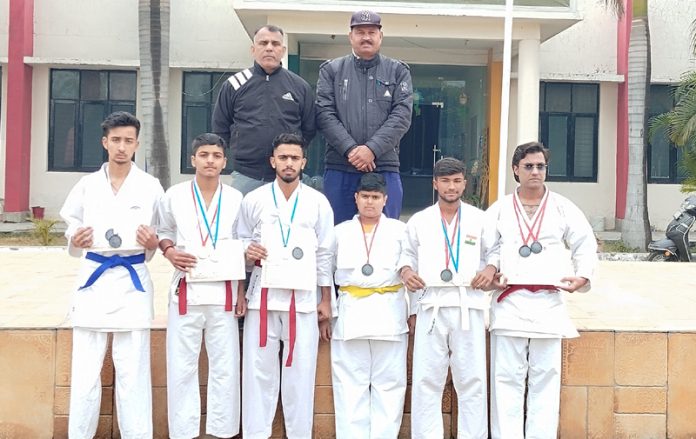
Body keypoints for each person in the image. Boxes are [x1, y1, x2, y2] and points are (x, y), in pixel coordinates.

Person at [483, 141, 598, 438]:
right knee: (506, 378)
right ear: (515, 170)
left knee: (546, 378)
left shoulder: (562, 206)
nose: (535, 171)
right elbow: (489, 248)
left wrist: (582, 276)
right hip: (509, 301)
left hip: (548, 301)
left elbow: (584, 242)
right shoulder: (499, 208)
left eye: (540, 166)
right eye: (529, 166)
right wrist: (491, 271)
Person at [60, 111, 163, 439]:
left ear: (137, 144)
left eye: (128, 141)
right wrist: (75, 238)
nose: (121, 147)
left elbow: (158, 233)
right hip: (94, 282)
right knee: (85, 375)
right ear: (105, 142)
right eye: (115, 140)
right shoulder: (87, 185)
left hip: (131, 284)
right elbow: (71, 224)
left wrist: (152, 244)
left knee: (133, 375)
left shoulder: (150, 186)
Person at [236, 132, 334, 439]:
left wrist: (326, 300)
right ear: (273, 161)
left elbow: (325, 253)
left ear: (303, 162)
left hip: (303, 301)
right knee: (257, 374)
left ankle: (299, 434)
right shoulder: (254, 200)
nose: (289, 163)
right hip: (262, 299)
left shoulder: (318, 202)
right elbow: (238, 241)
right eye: (283, 157)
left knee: (301, 375)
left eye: (294, 158)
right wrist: (246, 256)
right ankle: (255, 433)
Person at [399, 157, 497, 439]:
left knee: (473, 380)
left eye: (456, 181)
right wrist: (406, 271)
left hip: (469, 304)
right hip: (432, 305)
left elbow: (495, 252)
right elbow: (406, 255)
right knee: (426, 379)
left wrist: (490, 269)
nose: (451, 187)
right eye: (445, 181)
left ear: (465, 183)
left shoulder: (480, 219)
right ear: (435, 183)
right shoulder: (419, 220)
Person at [157, 133, 246, 439]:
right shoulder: (175, 194)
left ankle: (222, 432)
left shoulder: (236, 199)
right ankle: (183, 432)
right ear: (193, 159)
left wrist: (242, 292)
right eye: (204, 154)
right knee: (182, 366)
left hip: (224, 292)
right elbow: (163, 230)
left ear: (225, 162)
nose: (210, 160)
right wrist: (169, 251)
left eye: (216, 155)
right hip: (187, 290)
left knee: (225, 366)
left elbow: (243, 245)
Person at [322, 172, 408, 438]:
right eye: (365, 197)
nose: (370, 202)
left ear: (385, 200)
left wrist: (413, 312)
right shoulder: (339, 232)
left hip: (389, 312)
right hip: (351, 313)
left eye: (376, 197)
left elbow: (412, 271)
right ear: (356, 198)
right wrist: (326, 309)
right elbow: (324, 271)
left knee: (390, 385)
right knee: (349, 385)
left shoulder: (400, 231)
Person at [316, 9, 413, 224]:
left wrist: (371, 150)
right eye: (360, 32)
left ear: (380, 36)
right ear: (351, 36)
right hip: (340, 167)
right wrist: (351, 150)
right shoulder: (331, 70)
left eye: (372, 31)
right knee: (338, 233)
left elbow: (402, 115)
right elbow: (324, 114)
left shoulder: (398, 71)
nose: (366, 37)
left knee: (387, 235)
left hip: (384, 165)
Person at [212, 24, 316, 195]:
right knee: (243, 221)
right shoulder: (234, 84)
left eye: (275, 44)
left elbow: (309, 128)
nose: (269, 48)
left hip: (287, 175)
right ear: (253, 49)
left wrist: (289, 156)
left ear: (282, 50)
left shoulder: (299, 86)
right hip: (246, 174)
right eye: (263, 43)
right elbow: (220, 128)